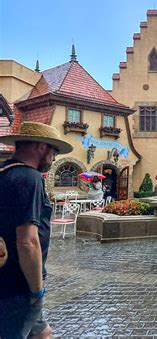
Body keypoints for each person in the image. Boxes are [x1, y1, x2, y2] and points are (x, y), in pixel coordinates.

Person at [0, 121, 73, 338]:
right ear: (41, 147)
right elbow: (27, 240)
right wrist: (37, 289)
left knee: (42, 333)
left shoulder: (4, 172)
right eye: (54, 151)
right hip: (18, 281)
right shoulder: (29, 178)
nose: (53, 158)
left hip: (6, 274)